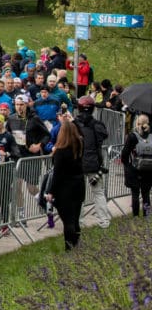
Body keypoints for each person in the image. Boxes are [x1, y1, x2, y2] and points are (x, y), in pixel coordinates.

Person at [45, 119, 85, 251]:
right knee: (75, 218)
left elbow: (57, 174)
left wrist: (51, 191)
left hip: (65, 189)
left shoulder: (60, 152)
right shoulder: (79, 146)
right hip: (78, 186)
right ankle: (76, 243)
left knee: (68, 221)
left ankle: (70, 247)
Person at [74, 96, 110, 228]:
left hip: (78, 164)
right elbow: (105, 135)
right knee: (99, 192)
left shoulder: (74, 124)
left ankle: (79, 222)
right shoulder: (97, 125)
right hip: (94, 163)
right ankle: (104, 221)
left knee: (78, 195)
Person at [122, 113, 152, 217]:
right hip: (149, 169)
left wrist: (127, 165)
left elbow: (125, 153)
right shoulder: (151, 136)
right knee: (146, 194)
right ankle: (147, 214)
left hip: (135, 168)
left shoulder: (133, 136)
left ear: (137, 123)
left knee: (135, 194)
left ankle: (135, 216)